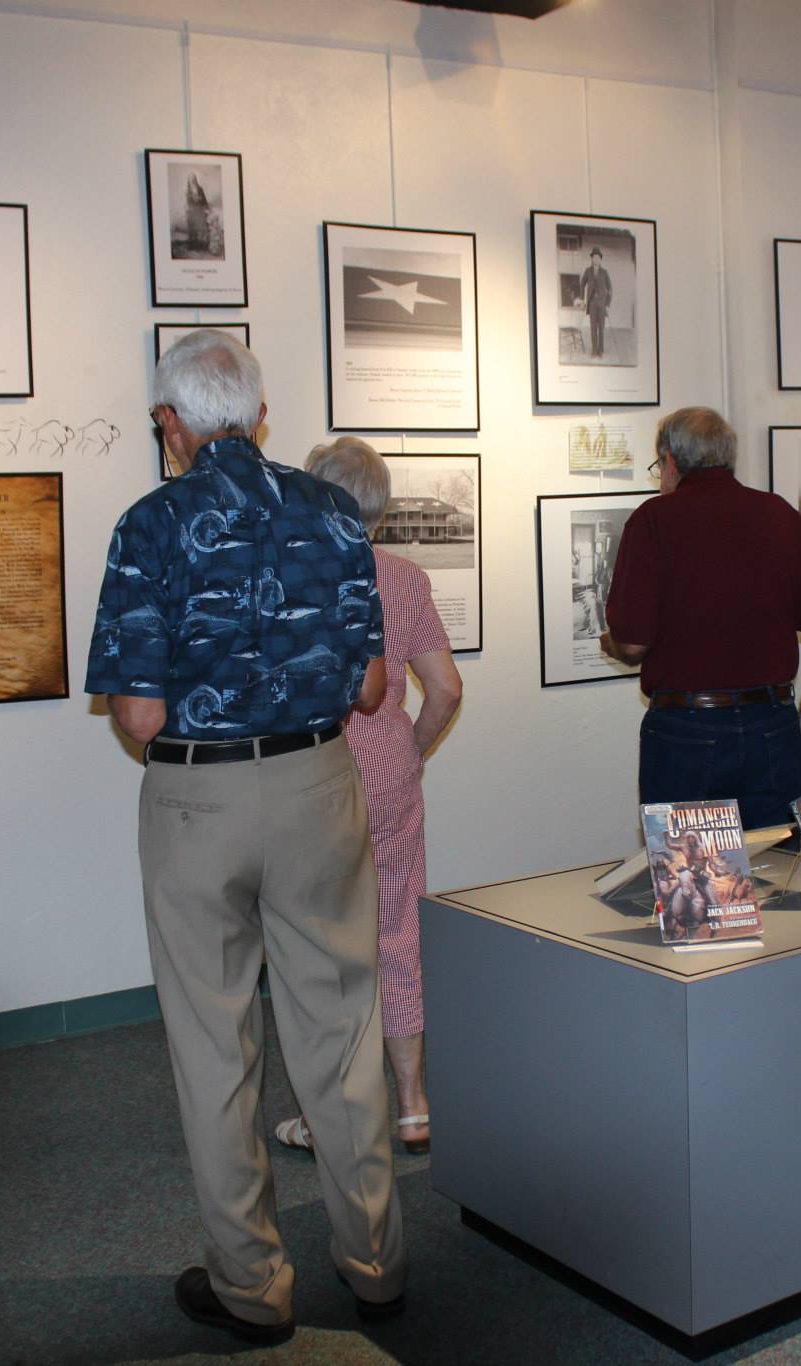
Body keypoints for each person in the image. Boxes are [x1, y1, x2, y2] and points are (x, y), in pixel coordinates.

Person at [85, 331, 404, 1346]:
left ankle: (251, 1286)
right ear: (259, 415)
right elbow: (368, 687)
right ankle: (376, 1264)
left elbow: (136, 716)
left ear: (173, 424)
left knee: (214, 1043)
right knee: (343, 1030)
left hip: (198, 802)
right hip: (318, 783)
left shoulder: (147, 525)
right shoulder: (331, 512)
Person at [274, 437, 464, 1160]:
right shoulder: (403, 577)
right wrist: (407, 749)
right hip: (385, 772)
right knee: (397, 935)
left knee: (317, 942)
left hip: (309, 770)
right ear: (380, 507)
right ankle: (414, 1107)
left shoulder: (288, 577)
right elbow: (444, 689)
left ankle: (333, 1116)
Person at [601, 406, 801, 830]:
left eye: (659, 466)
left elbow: (634, 646)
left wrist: (612, 642)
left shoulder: (653, 520)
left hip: (686, 732)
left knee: (691, 884)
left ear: (672, 461)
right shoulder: (780, 515)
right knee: (778, 875)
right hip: (773, 723)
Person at [579, 247, 613, 358]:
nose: (596, 259)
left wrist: (607, 304)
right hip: (592, 303)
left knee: (601, 328)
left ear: (600, 259)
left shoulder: (604, 272)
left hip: (602, 304)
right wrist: (582, 299)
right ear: (592, 259)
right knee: (593, 327)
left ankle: (601, 350)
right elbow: (582, 284)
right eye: (594, 257)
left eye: (598, 257)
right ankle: (594, 350)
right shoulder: (588, 271)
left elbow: (610, 289)